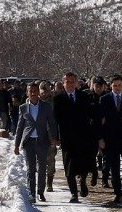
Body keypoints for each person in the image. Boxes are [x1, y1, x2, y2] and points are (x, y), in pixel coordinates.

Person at [50, 72, 96, 200]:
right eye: (67, 81)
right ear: (63, 83)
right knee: (69, 166)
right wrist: (56, 137)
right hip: (67, 137)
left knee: (83, 162)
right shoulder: (58, 98)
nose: (69, 84)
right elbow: (55, 120)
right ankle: (74, 193)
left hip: (83, 136)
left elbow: (91, 114)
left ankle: (82, 180)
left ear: (76, 82)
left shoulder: (83, 96)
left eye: (72, 81)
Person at [12, 81, 57, 203]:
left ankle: (40, 192)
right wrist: (16, 145)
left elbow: (52, 123)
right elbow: (19, 127)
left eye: (35, 91)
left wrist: (54, 138)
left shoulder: (46, 106)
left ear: (38, 93)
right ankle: (31, 193)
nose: (33, 93)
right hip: (29, 142)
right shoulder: (23, 108)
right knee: (31, 168)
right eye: (30, 91)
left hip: (42, 141)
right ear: (27, 93)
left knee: (42, 167)